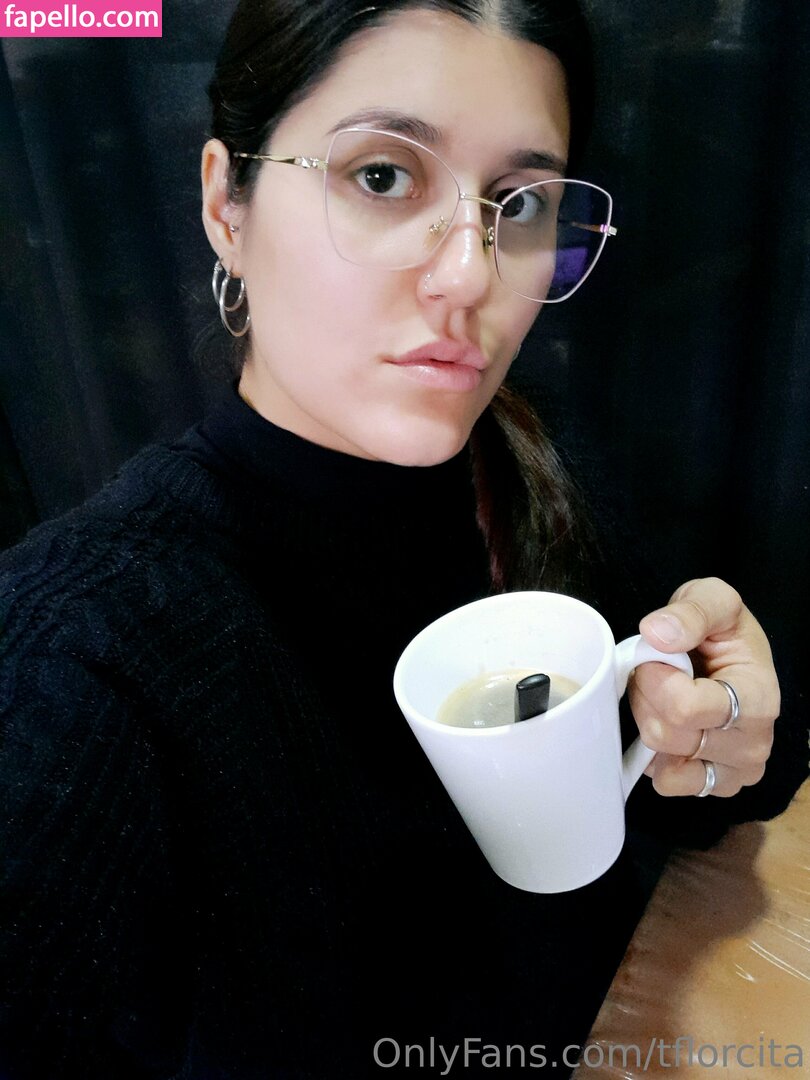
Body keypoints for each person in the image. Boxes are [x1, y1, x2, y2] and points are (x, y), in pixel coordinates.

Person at [0, 0, 793, 1077]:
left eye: (521, 203)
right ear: (226, 205)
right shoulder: (76, 658)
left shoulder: (531, 460)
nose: (471, 274)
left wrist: (729, 722)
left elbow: (710, 784)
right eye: (382, 176)